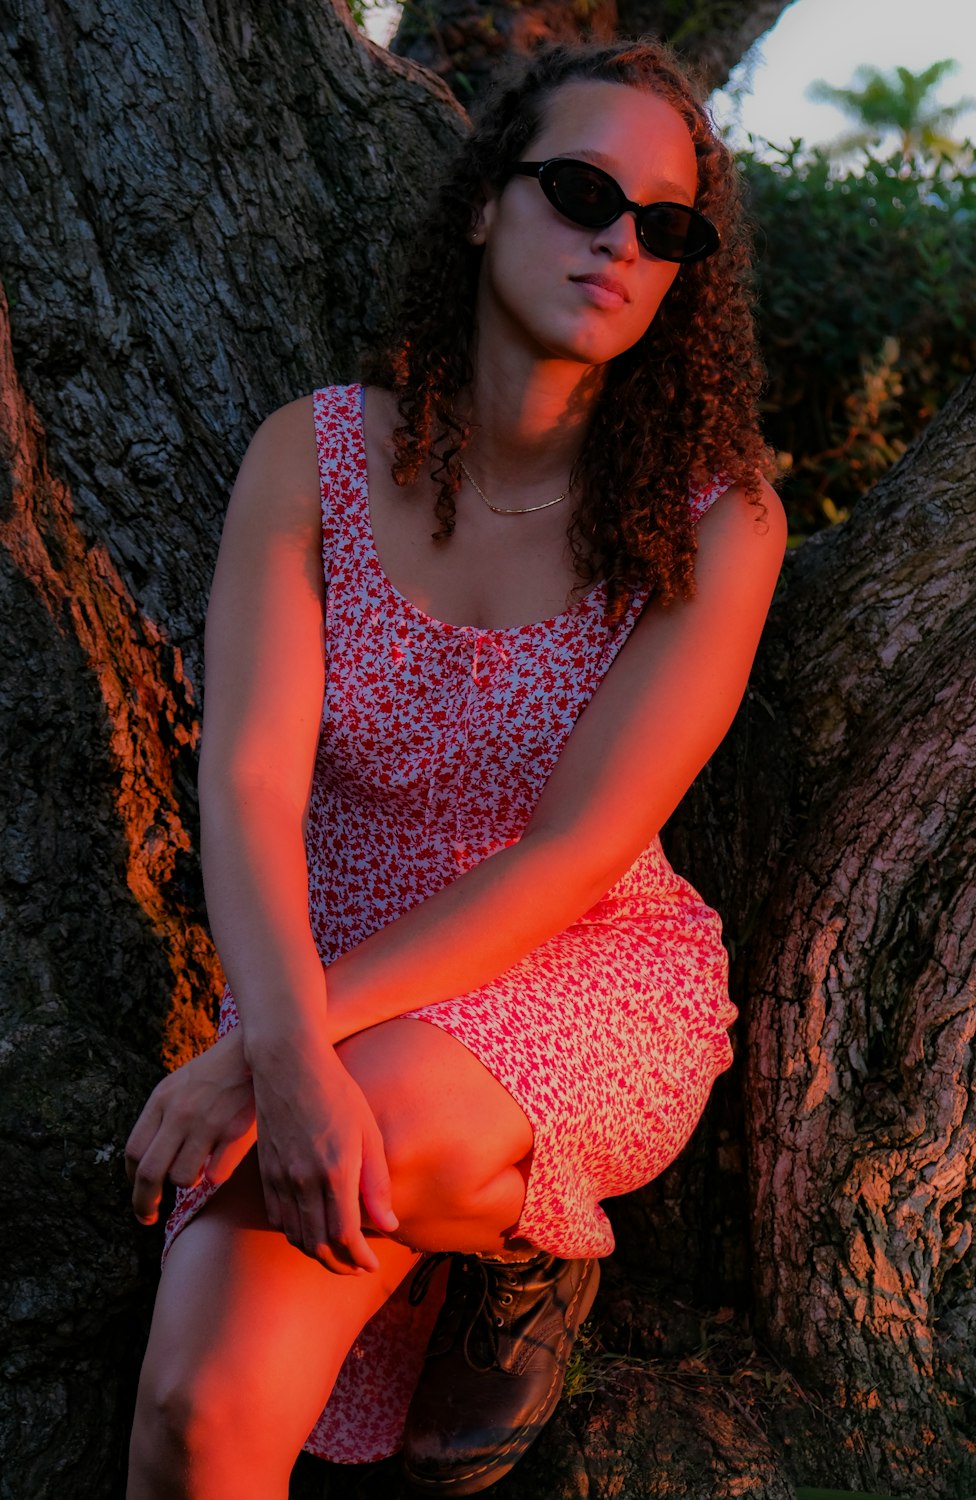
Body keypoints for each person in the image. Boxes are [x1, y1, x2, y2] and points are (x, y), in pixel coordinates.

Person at [124, 37, 785, 1500]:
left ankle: (514, 1239)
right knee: (192, 1420)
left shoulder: (715, 520)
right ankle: (506, 1238)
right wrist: (286, 1041)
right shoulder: (315, 458)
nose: (620, 237)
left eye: (666, 227)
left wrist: (264, 1062)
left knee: (348, 1142)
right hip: (329, 970)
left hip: (575, 967)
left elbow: (571, 857)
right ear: (486, 203)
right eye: (580, 189)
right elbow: (244, 781)